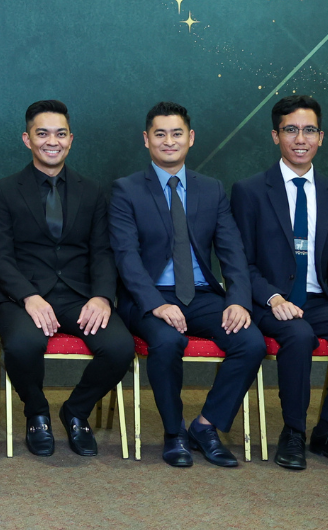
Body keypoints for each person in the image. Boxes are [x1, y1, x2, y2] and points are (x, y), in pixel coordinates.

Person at [109, 101, 264, 468]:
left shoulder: (211, 190)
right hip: (149, 297)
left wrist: (239, 300)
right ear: (146, 140)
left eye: (176, 133)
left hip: (204, 295)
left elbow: (233, 253)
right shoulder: (126, 190)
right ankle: (174, 431)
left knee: (250, 341)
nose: (168, 141)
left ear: (190, 138)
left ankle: (206, 425)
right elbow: (126, 257)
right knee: (166, 341)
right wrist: (156, 304)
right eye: (159, 134)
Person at [230, 95, 328, 471]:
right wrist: (272, 297)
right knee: (297, 335)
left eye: (309, 130)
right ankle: (293, 431)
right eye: (291, 129)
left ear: (321, 137)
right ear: (275, 135)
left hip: (318, 299)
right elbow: (239, 262)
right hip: (270, 301)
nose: (300, 138)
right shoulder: (249, 191)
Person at [0, 100, 134, 458]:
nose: (52, 141)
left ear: (71, 139)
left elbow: (102, 251)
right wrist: (28, 297)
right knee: (22, 346)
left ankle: (76, 410)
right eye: (42, 133)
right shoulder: (5, 190)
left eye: (60, 133)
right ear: (27, 139)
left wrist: (102, 296)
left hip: (79, 295)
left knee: (119, 348)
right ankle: (36, 411)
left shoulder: (92, 191)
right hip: (21, 296)